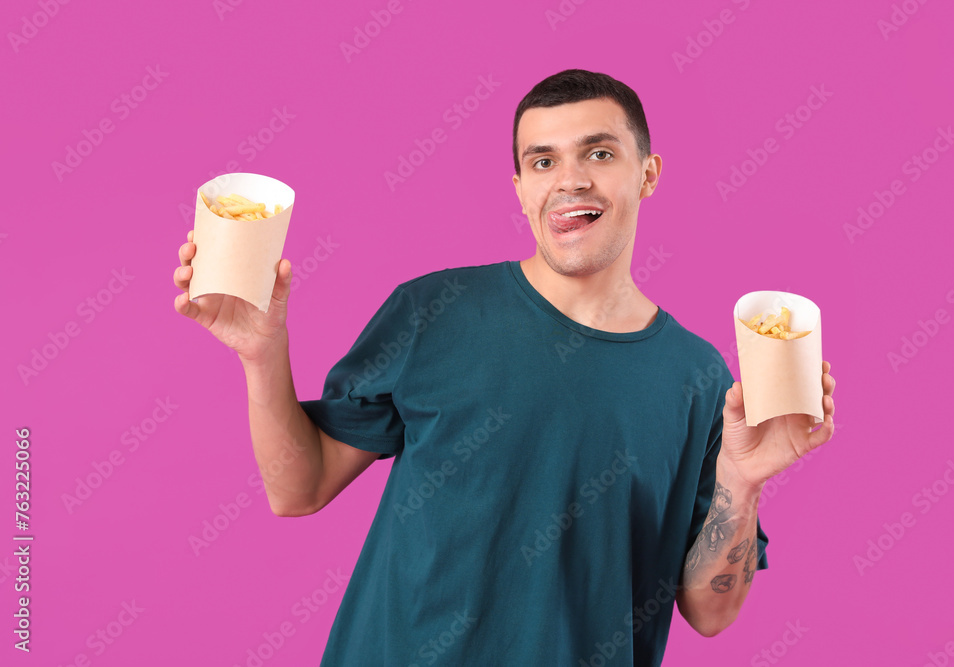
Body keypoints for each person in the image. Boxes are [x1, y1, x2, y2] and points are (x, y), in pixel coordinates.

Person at [172, 69, 837, 666]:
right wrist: (262, 352)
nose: (570, 180)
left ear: (648, 173)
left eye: (599, 153)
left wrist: (743, 480)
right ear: (521, 190)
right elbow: (298, 488)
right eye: (543, 161)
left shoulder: (700, 379)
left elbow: (711, 611)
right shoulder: (434, 312)